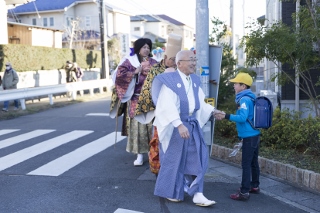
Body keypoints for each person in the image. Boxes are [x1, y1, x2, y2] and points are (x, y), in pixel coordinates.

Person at [151, 50, 218, 207]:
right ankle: (172, 191)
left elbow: (200, 102)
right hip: (176, 127)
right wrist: (179, 125)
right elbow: (166, 105)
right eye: (190, 60)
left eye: (195, 59)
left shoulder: (194, 80)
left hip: (192, 125)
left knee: (198, 157)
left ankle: (198, 193)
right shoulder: (170, 81)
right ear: (179, 63)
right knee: (174, 160)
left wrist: (213, 111)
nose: (194, 63)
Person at [134, 33, 182, 174]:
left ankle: (174, 174)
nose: (175, 63)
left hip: (178, 115)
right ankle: (161, 174)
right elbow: (148, 91)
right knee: (159, 144)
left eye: (177, 60)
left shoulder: (181, 71)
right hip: (160, 113)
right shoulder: (156, 69)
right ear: (165, 58)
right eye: (173, 60)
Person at [110, 38, 158, 166]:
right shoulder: (130, 62)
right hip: (135, 100)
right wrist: (134, 72)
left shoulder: (154, 62)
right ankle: (139, 155)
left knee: (151, 127)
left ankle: (152, 153)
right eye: (144, 47)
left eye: (148, 47)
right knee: (137, 128)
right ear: (138, 48)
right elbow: (118, 76)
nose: (146, 50)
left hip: (151, 100)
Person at [214, 72, 261, 201]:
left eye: (236, 84)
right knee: (253, 163)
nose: (234, 86)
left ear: (243, 86)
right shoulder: (250, 97)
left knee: (246, 164)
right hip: (255, 134)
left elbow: (242, 117)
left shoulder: (244, 99)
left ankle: (244, 192)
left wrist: (226, 115)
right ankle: (255, 186)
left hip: (249, 136)